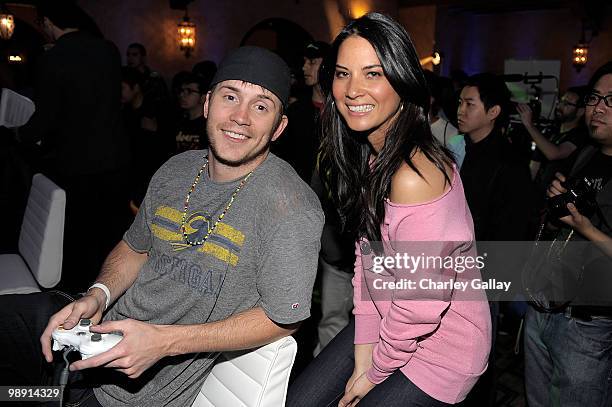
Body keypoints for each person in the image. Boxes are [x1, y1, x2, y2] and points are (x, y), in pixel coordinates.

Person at [0, 46, 324, 407]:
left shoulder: (290, 205)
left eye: (261, 106)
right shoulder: (176, 169)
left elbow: (284, 319)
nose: (240, 117)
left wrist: (165, 341)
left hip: (131, 387)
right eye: (230, 96)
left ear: (279, 127)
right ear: (206, 103)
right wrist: (98, 295)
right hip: (93, 331)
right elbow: (136, 247)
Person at [286, 13, 491, 407]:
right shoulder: (373, 157)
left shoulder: (416, 174)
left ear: (402, 80)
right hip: (389, 319)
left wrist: (374, 372)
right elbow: (369, 258)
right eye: (343, 74)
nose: (352, 89)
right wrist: (364, 339)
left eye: (373, 74)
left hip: (441, 348)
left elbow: (419, 306)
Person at [17, 1, 130, 292]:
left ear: (48, 23)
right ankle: (111, 294)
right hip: (114, 160)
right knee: (109, 235)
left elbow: (46, 118)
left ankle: (78, 300)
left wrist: (21, 135)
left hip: (76, 163)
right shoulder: (108, 49)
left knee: (78, 239)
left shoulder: (54, 58)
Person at [524, 61, 612, 407]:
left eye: (610, 100)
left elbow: (586, 227)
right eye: (594, 98)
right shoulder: (586, 154)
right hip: (546, 304)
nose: (598, 108)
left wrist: (586, 227)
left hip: (590, 325)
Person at [517, 86, 589, 204]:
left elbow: (554, 153)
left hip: (558, 200)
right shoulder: (551, 131)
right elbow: (535, 165)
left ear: (581, 111)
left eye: (566, 104)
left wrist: (529, 125)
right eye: (560, 101)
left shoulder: (580, 136)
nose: (559, 106)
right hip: (536, 198)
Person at [272, 40, 330, 182]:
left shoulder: (341, 109)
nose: (304, 67)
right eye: (304, 61)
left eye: (311, 62)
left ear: (326, 66)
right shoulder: (296, 111)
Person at [173, 72, 209, 153]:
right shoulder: (178, 122)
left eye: (189, 91)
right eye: (181, 90)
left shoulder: (208, 125)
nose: (182, 95)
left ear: (203, 97)